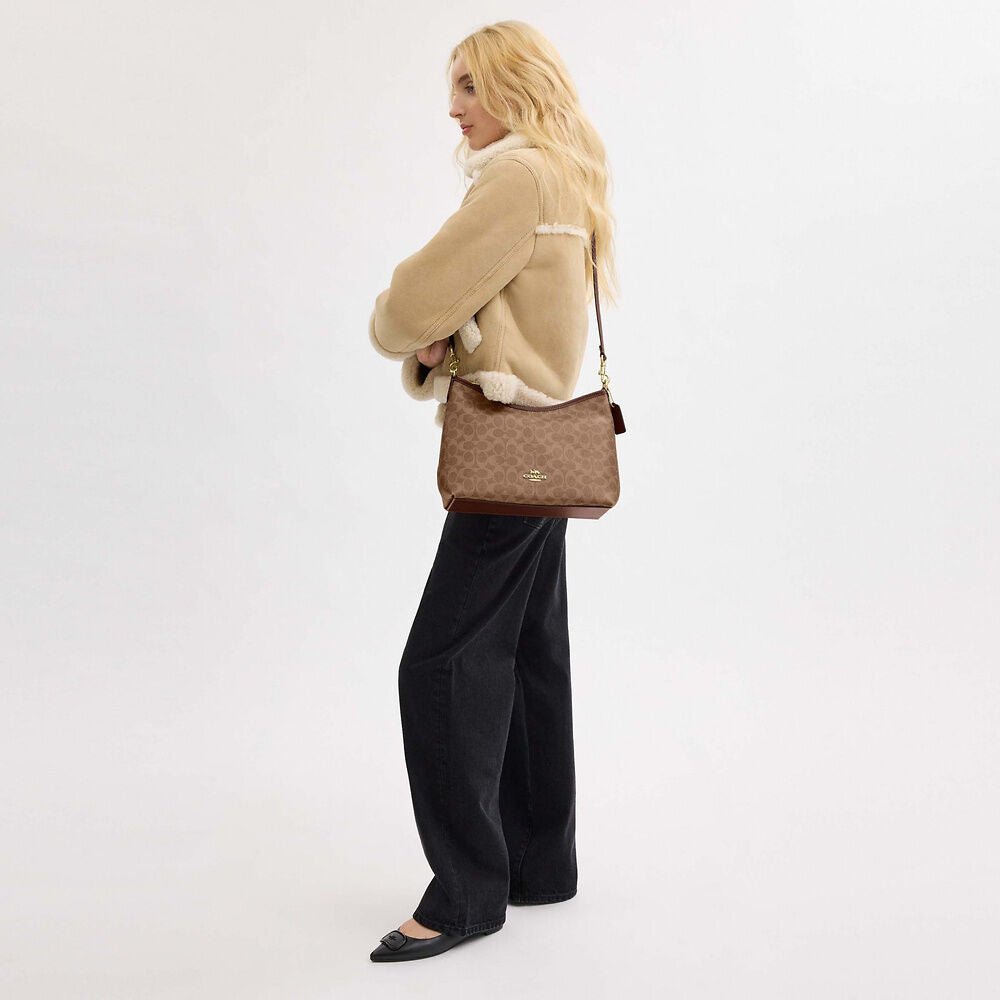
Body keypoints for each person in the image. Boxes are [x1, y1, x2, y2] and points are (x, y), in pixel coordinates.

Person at [367, 20, 619, 963]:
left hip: (508, 448)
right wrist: (454, 333)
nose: (454, 107)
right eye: (455, 86)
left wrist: (416, 334)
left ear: (517, 85)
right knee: (527, 655)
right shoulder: (568, 175)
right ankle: (539, 864)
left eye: (472, 86)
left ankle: (467, 894)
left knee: (438, 666)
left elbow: (407, 304)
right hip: (550, 444)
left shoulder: (515, 178)